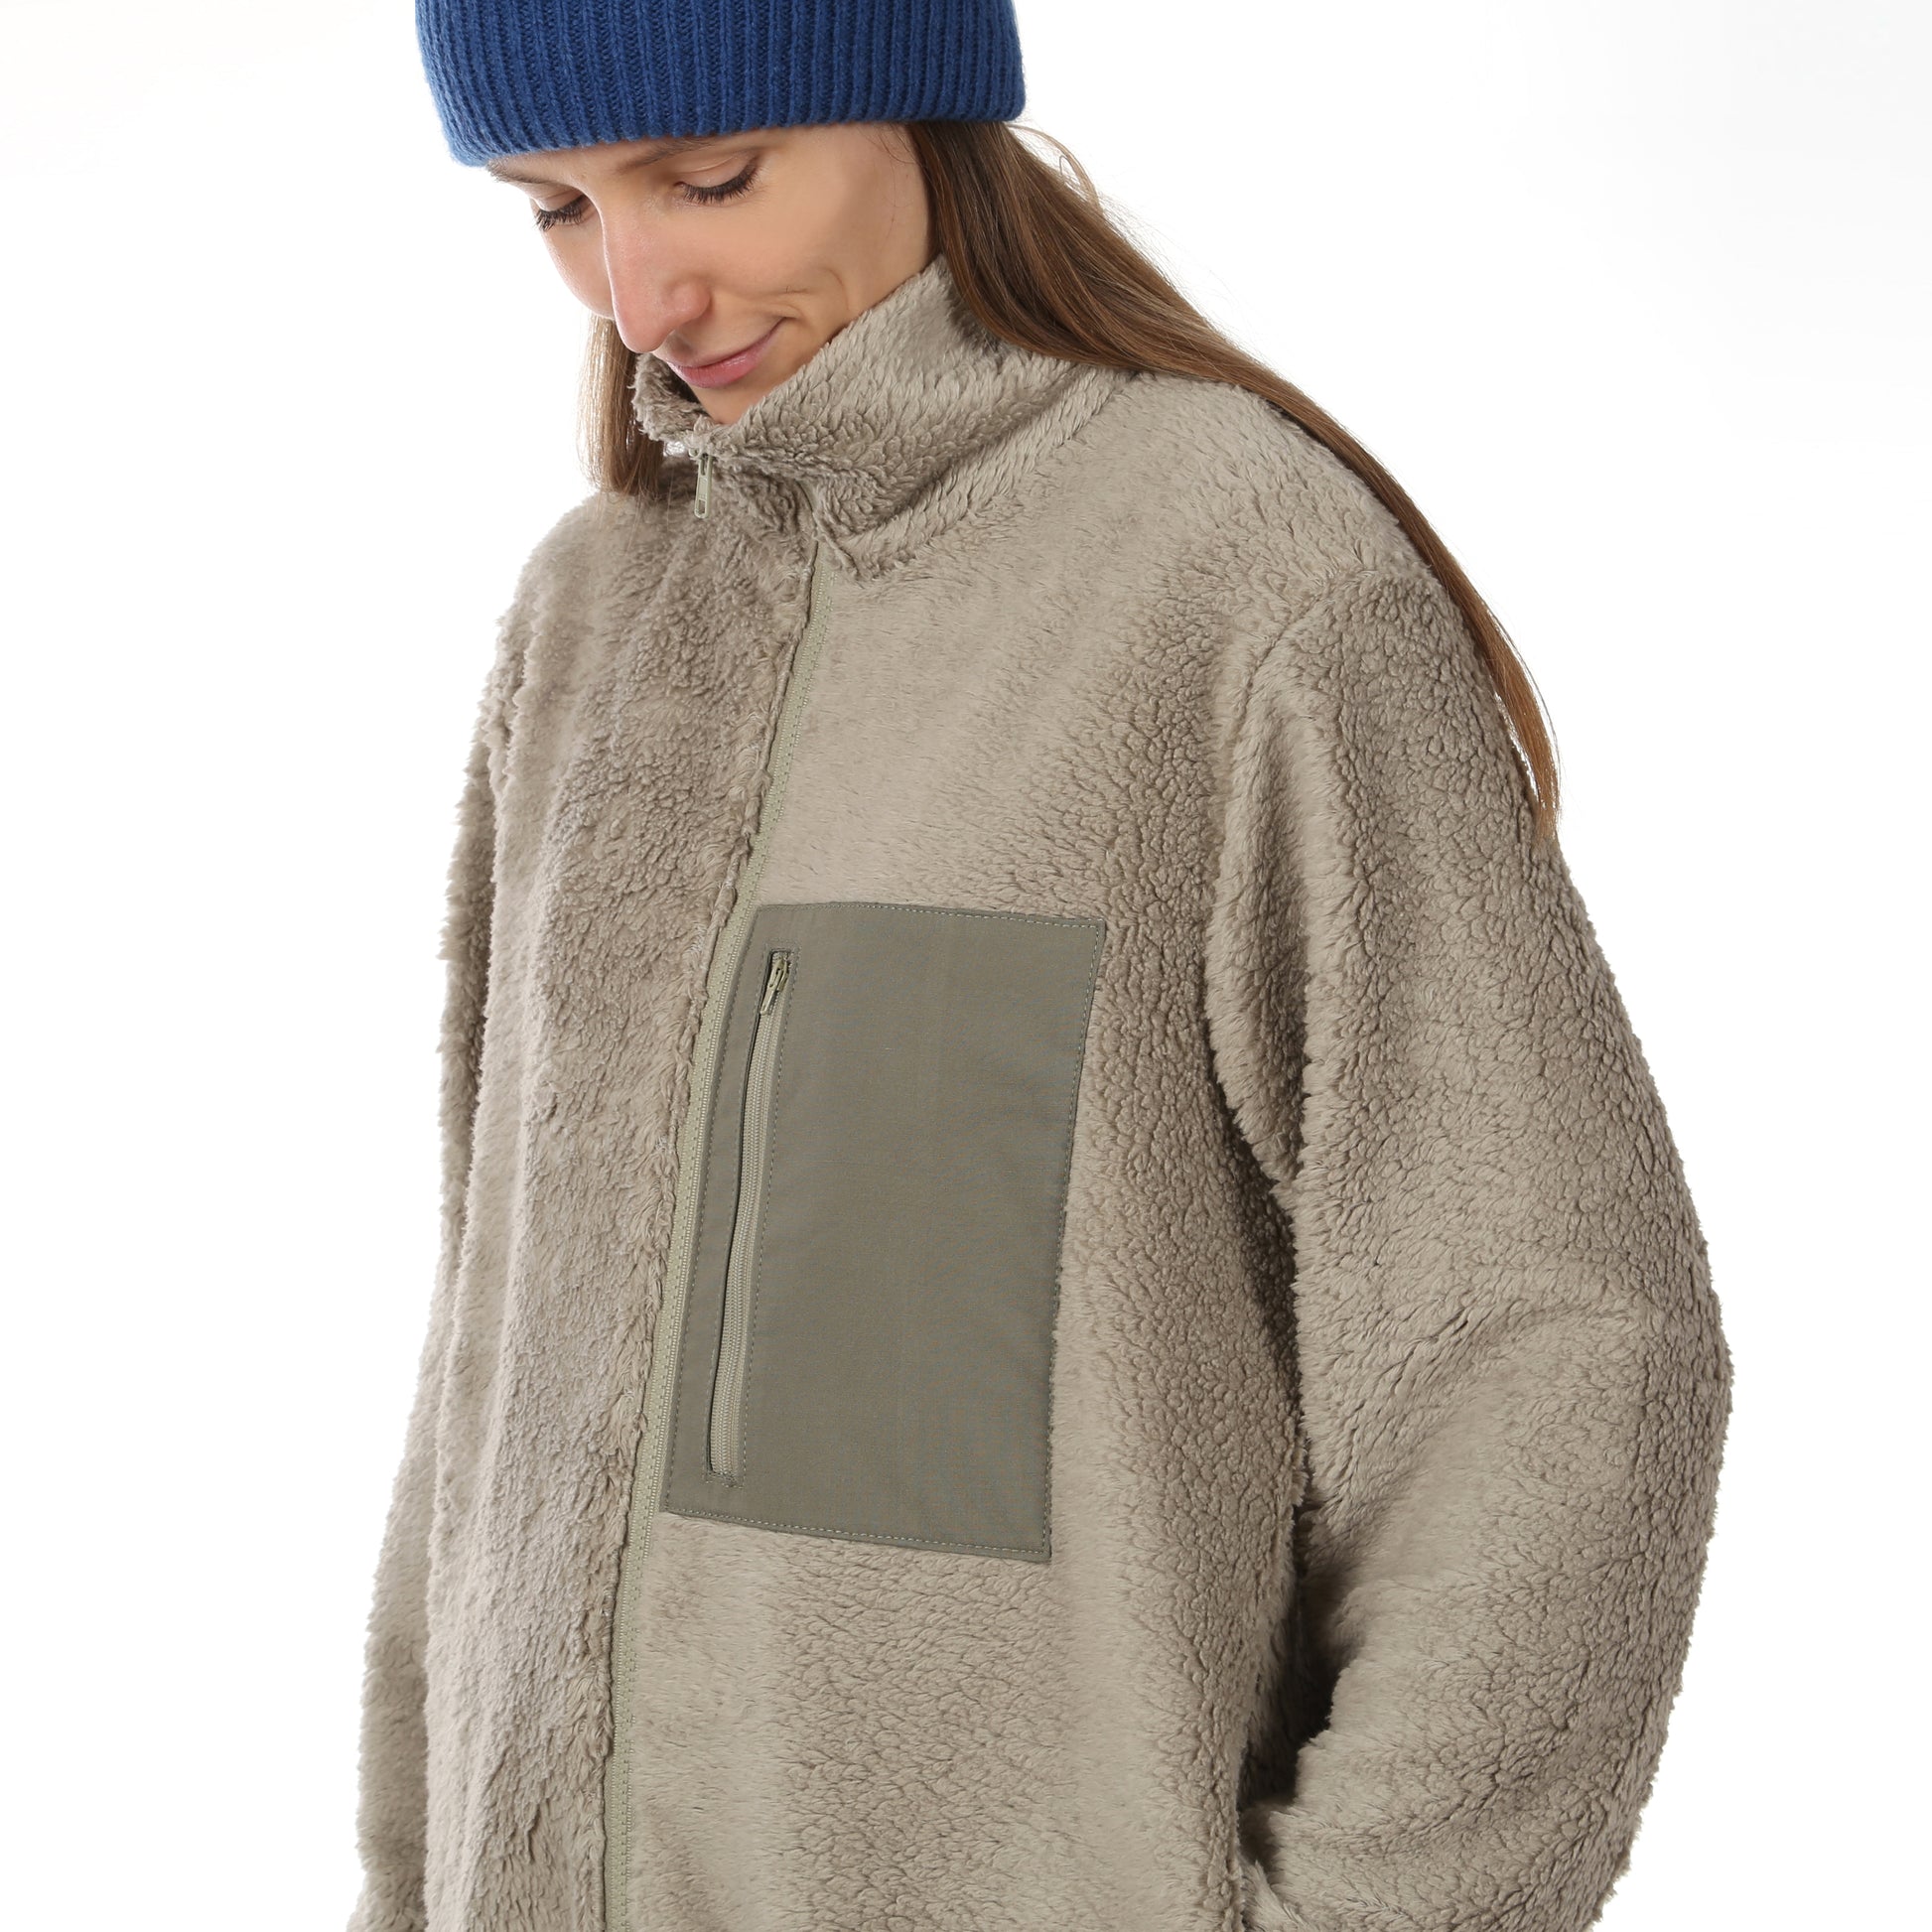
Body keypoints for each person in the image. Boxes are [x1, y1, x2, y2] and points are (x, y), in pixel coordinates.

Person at [349, 4, 1732, 1929]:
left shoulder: (1234, 574)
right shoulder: (593, 612)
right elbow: (495, 1359)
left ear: (920, 101)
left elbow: (1555, 1341)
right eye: (555, 211)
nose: (639, 294)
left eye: (713, 177)